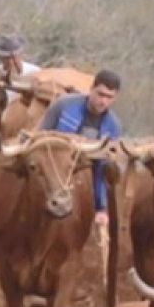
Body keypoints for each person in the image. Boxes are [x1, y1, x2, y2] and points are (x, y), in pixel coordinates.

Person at [38, 70, 123, 231]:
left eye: (109, 97)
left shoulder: (113, 126)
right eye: (100, 94)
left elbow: (102, 168)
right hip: (52, 169)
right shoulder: (63, 106)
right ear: (91, 89)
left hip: (85, 173)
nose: (103, 101)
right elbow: (41, 138)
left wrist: (101, 208)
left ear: (115, 98)